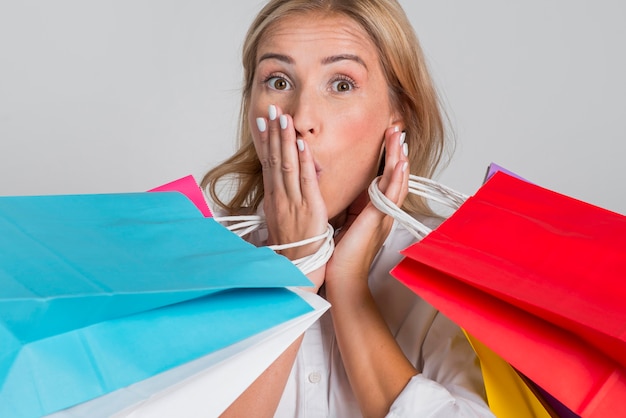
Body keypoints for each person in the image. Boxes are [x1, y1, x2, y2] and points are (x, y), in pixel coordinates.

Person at [202, 0, 494, 416]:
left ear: (399, 112)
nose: (301, 118)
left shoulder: (453, 277)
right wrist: (295, 273)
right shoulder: (197, 270)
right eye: (279, 81)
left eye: (341, 84)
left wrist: (349, 284)